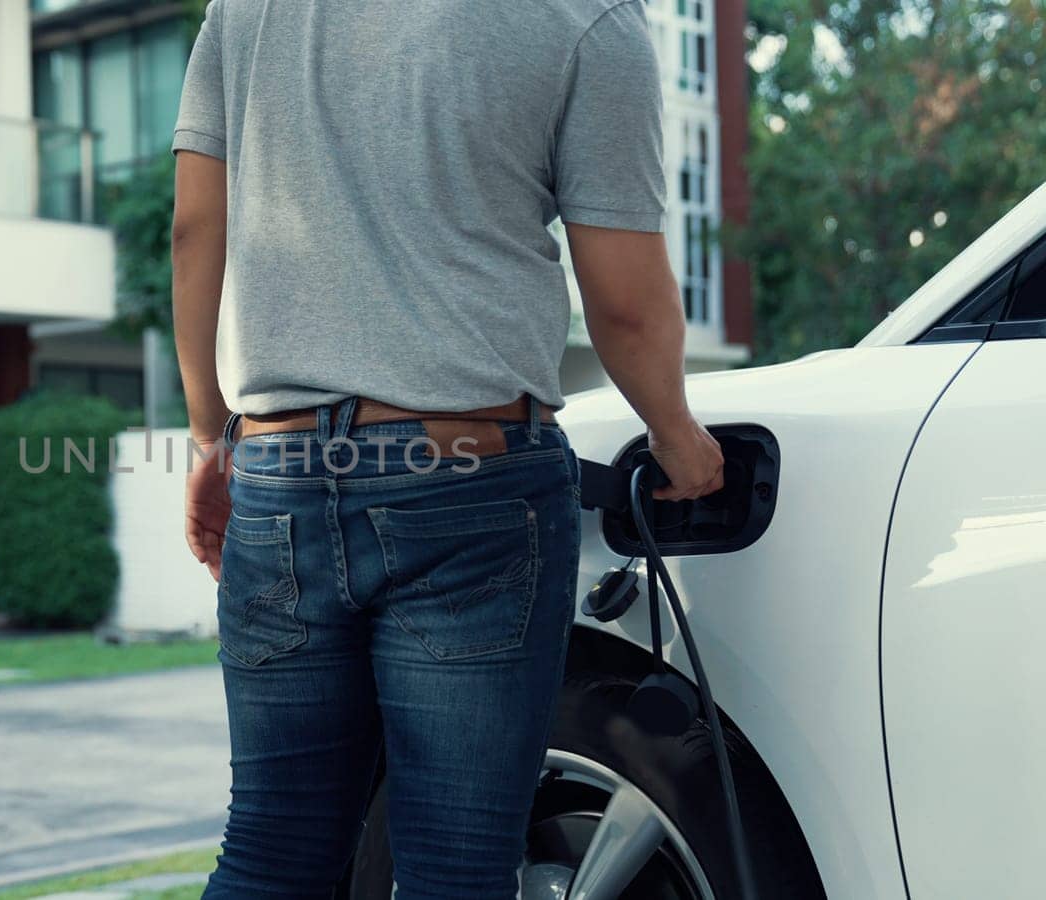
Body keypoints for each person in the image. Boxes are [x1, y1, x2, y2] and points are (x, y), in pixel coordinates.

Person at [170, 1, 725, 896]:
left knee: (273, 847)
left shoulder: (249, 8)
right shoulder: (589, 19)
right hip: (470, 481)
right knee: (454, 862)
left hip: (279, 473)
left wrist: (211, 439)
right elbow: (623, 299)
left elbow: (197, 231)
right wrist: (677, 435)